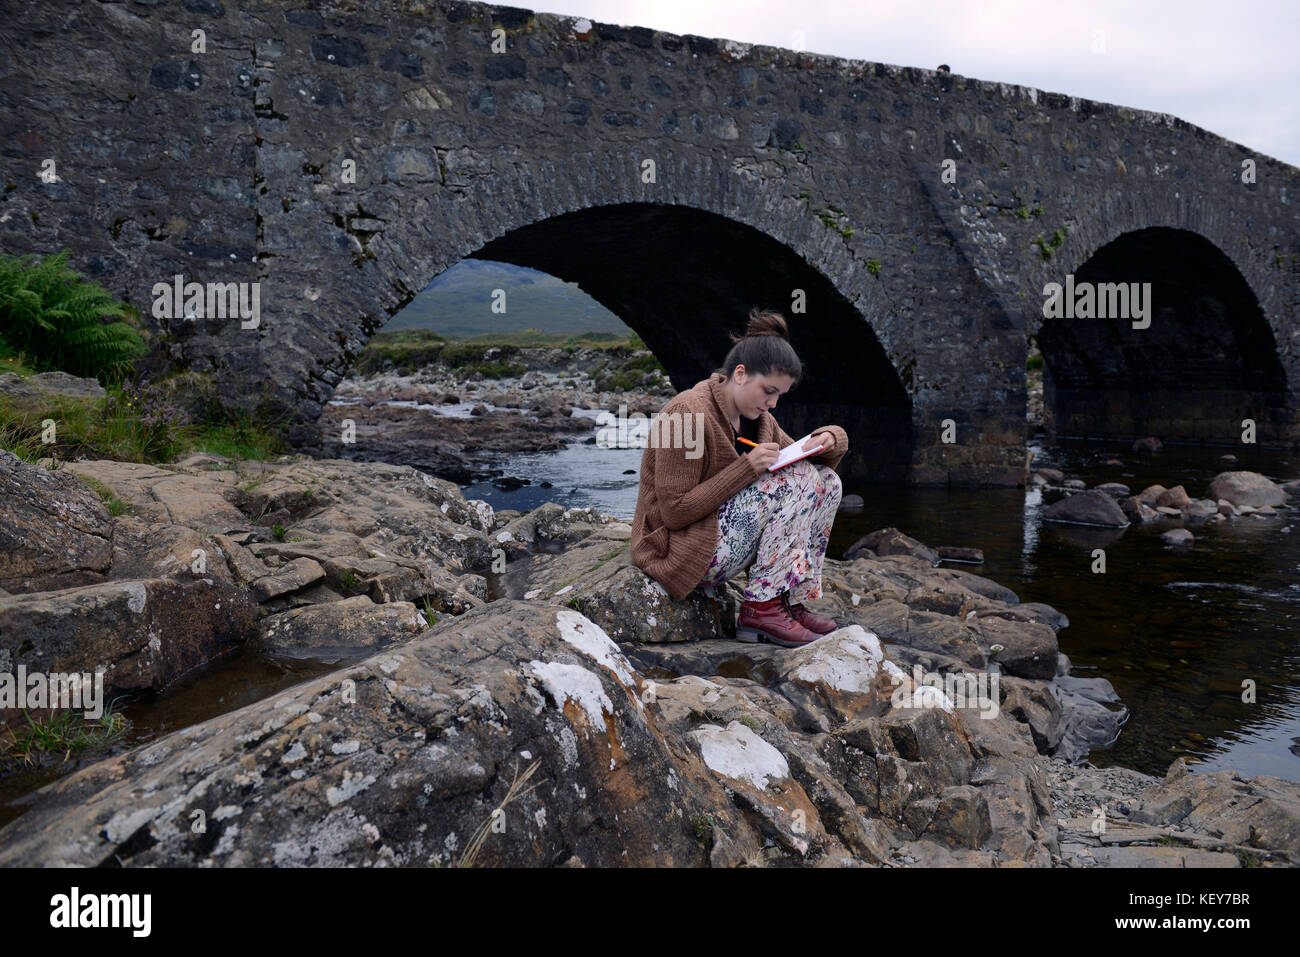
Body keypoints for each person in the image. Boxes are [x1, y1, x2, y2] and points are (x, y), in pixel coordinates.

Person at [630, 308, 849, 647]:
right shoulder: (687, 414)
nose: (773, 403)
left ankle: (785, 599)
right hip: (680, 549)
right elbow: (673, 512)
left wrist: (833, 437)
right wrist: (747, 468)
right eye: (768, 391)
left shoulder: (760, 421)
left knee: (827, 482)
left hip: (723, 539)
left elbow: (804, 461)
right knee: (799, 479)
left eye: (779, 396)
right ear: (741, 374)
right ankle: (761, 609)